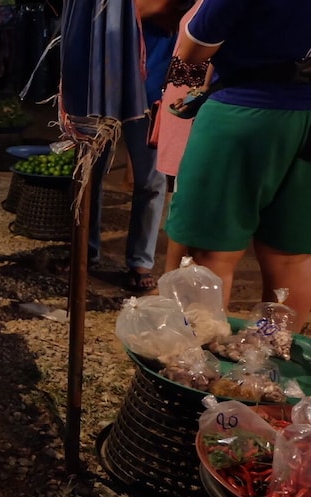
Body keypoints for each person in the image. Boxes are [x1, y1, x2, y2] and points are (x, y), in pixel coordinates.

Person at [164, 0, 311, 330]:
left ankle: (196, 367)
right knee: (292, 255)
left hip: (246, 111)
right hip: (306, 119)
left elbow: (193, 50)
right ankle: (267, 359)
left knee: (211, 252)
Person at [86, 13, 173, 293]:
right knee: (88, 172)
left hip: (150, 80)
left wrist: (113, 11)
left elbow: (166, 8)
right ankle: (86, 250)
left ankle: (140, 262)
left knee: (151, 180)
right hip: (101, 77)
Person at [154, 0, 211, 273]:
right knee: (182, 193)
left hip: (197, 101)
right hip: (184, 98)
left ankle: (175, 277)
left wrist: (204, 90)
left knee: (188, 195)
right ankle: (175, 277)